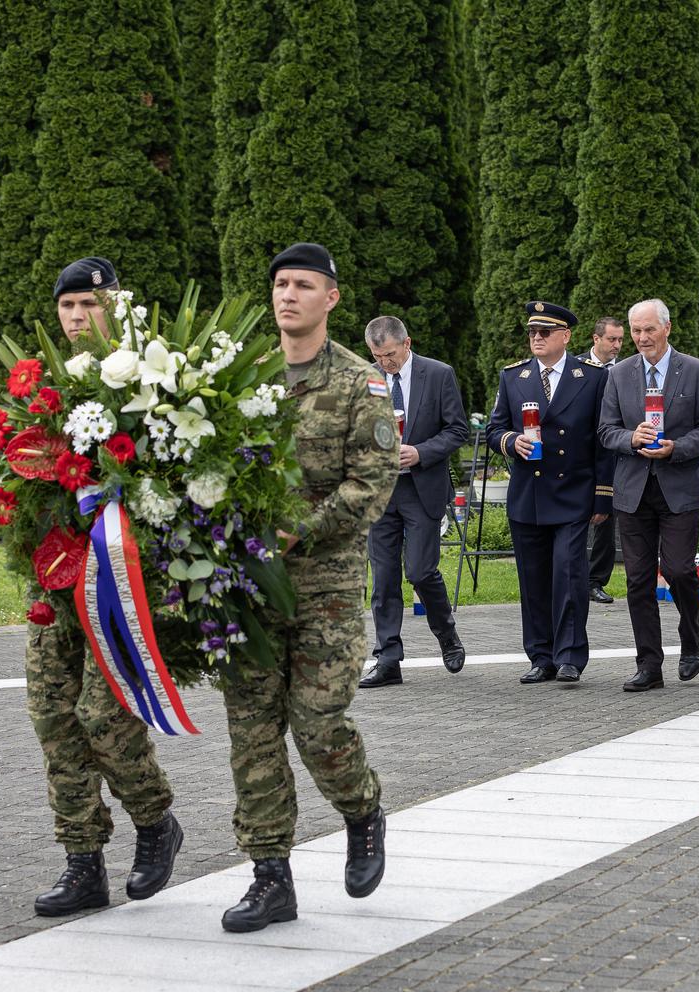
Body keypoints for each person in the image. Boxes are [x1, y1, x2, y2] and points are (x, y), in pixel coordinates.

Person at [218, 243, 392, 932]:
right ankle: (269, 877)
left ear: (331, 299)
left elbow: (372, 483)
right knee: (252, 732)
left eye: (303, 286)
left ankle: (362, 808)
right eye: (280, 284)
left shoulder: (357, 383)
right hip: (248, 590)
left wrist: (299, 531)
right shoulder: (240, 379)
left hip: (324, 585)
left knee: (317, 722)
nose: (287, 295)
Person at [14, 256, 183, 917]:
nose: (77, 316)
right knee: (53, 719)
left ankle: (154, 822)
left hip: (120, 585)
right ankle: (82, 861)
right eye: (67, 306)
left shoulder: (150, 382)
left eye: (89, 303)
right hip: (53, 586)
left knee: (101, 717)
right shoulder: (42, 388)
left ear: (115, 305)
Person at [598, 299, 699, 692]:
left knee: (679, 570)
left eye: (649, 329)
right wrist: (630, 438)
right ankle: (649, 664)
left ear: (667, 328)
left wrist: (678, 447)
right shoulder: (618, 374)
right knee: (637, 580)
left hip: (679, 489)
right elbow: (605, 430)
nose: (641, 338)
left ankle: (692, 637)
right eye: (636, 331)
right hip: (633, 491)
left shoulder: (697, 371)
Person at [488, 302, 614, 684]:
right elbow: (494, 430)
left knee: (569, 573)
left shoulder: (591, 377)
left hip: (574, 492)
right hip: (529, 493)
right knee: (533, 577)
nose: (537, 338)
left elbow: (603, 440)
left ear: (566, 336)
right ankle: (540, 656)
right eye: (532, 333)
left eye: (545, 332)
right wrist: (512, 442)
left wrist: (602, 495)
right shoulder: (514, 376)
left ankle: (570, 656)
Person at [358, 316, 469, 689]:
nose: (385, 364)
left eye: (389, 355)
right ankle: (388, 658)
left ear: (407, 343)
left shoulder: (438, 374)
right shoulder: (365, 378)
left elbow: (457, 430)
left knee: (420, 571)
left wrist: (420, 452)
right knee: (384, 578)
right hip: (380, 492)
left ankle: (447, 634)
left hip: (421, 489)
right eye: (377, 356)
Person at [584, 317, 626, 603]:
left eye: (621, 340)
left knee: (607, 520)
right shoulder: (578, 368)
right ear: (596, 339)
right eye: (612, 339)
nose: (617, 345)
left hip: (617, 452)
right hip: (583, 453)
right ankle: (572, 577)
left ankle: (595, 580)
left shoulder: (625, 371)